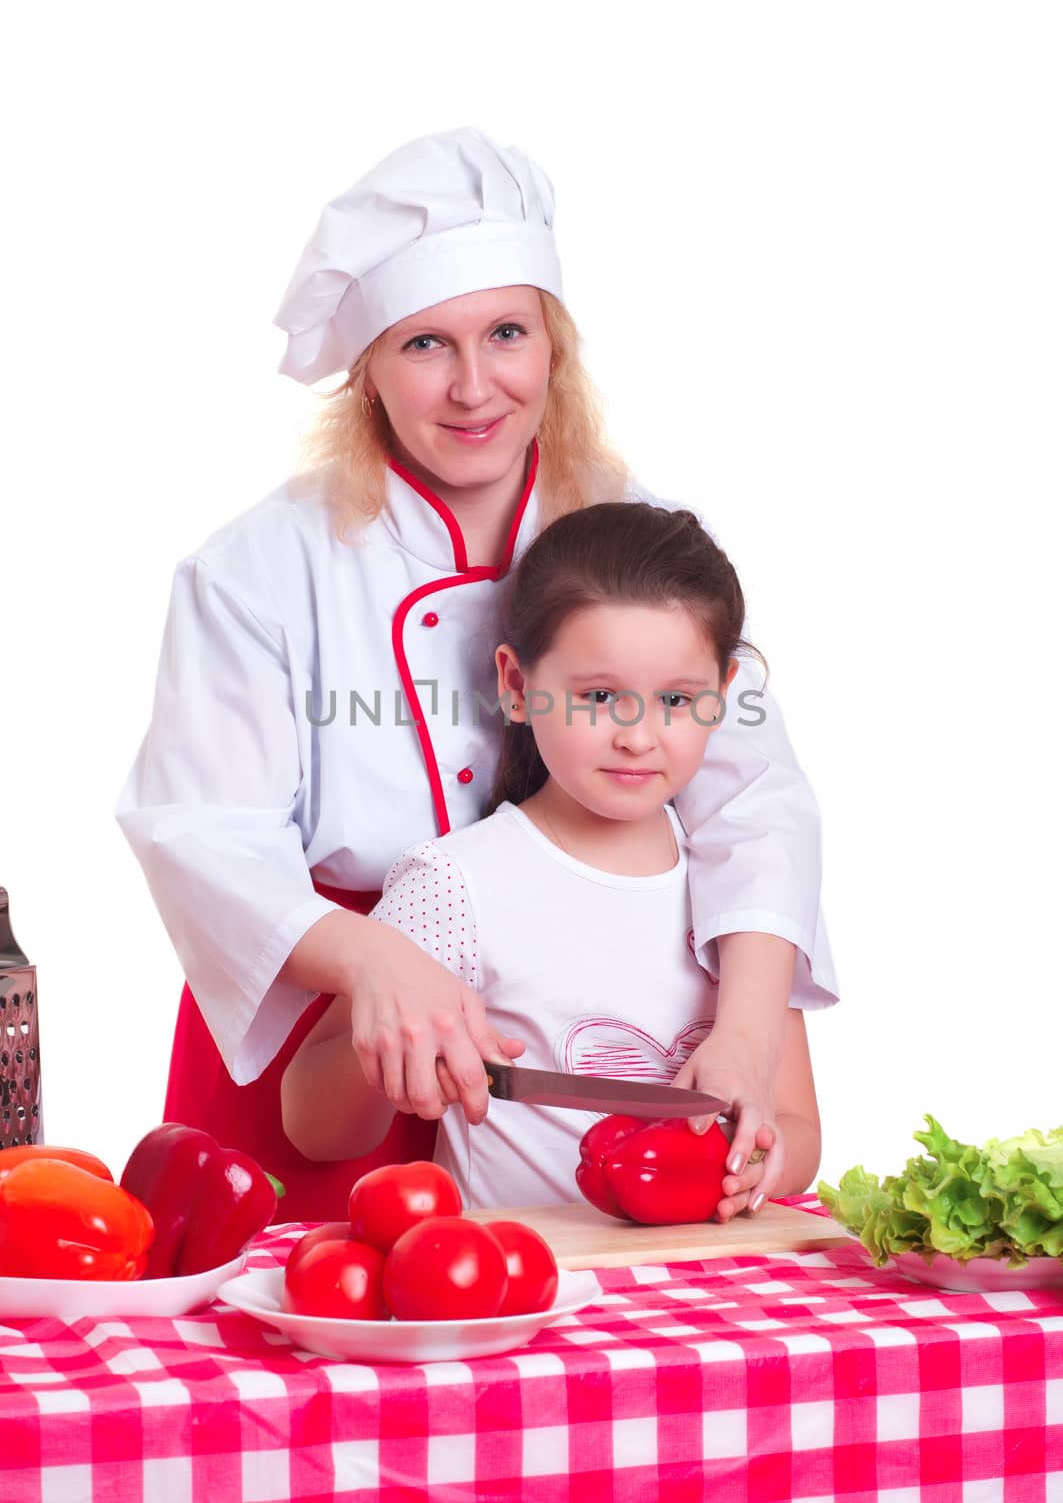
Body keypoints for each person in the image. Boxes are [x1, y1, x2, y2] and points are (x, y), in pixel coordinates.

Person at [116, 127, 836, 1220]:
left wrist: (742, 1032)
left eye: (505, 333)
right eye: (423, 346)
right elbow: (201, 830)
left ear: (555, 343)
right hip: (323, 1007)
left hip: (550, 1015)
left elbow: (755, 799)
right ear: (367, 370)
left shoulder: (634, 538)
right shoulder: (256, 572)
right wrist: (369, 959)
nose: (471, 388)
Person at [281, 502, 821, 1213]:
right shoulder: (455, 884)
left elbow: (798, 1128)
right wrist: (391, 1056)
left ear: (723, 698)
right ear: (515, 686)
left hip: (700, 1289)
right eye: (598, 696)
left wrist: (766, 1165)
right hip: (522, 1285)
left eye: (676, 700)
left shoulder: (740, 895)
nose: (637, 736)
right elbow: (313, 1127)